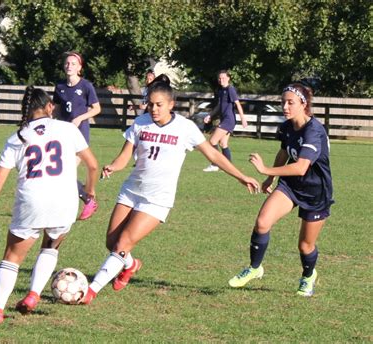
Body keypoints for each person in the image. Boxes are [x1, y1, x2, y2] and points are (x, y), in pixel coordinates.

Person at [82, 76, 260, 304]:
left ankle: (91, 290)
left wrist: (241, 176)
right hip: (131, 191)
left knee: (123, 243)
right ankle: (131, 265)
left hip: (158, 198)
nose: (153, 109)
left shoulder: (185, 128)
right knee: (112, 243)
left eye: (159, 104)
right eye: (151, 104)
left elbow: (213, 154)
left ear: (171, 104)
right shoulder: (140, 123)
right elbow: (125, 156)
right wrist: (113, 167)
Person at [0, 86, 99, 323]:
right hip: (64, 201)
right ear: (50, 106)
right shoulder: (67, 128)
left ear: (26, 111)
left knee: (12, 257)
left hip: (32, 201)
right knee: (50, 246)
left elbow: (0, 178)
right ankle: (33, 294)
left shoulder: (17, 137)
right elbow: (92, 165)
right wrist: (89, 193)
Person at [228, 83, 334, 297]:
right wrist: (270, 178)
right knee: (262, 222)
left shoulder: (314, 131)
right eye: (283, 102)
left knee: (305, 246)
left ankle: (308, 276)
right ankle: (255, 268)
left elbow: (301, 166)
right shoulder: (286, 127)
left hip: (316, 192)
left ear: (303, 104)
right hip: (291, 185)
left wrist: (265, 168)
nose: (285, 106)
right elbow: (284, 152)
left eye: (290, 102)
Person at [53, 51, 101, 220]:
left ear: (80, 67)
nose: (69, 66)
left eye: (73, 63)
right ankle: (87, 199)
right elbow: (57, 111)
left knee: (65, 173)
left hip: (80, 137)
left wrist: (80, 118)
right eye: (67, 63)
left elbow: (97, 109)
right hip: (63, 136)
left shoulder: (86, 86)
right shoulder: (59, 87)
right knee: (61, 175)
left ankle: (86, 200)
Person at [203, 70, 248, 172]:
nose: (221, 80)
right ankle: (228, 166)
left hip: (229, 120)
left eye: (223, 78)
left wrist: (243, 118)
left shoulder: (230, 89)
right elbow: (219, 106)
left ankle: (215, 164)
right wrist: (210, 115)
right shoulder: (221, 90)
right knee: (223, 143)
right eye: (219, 78)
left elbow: (237, 104)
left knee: (212, 141)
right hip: (225, 119)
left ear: (228, 78)